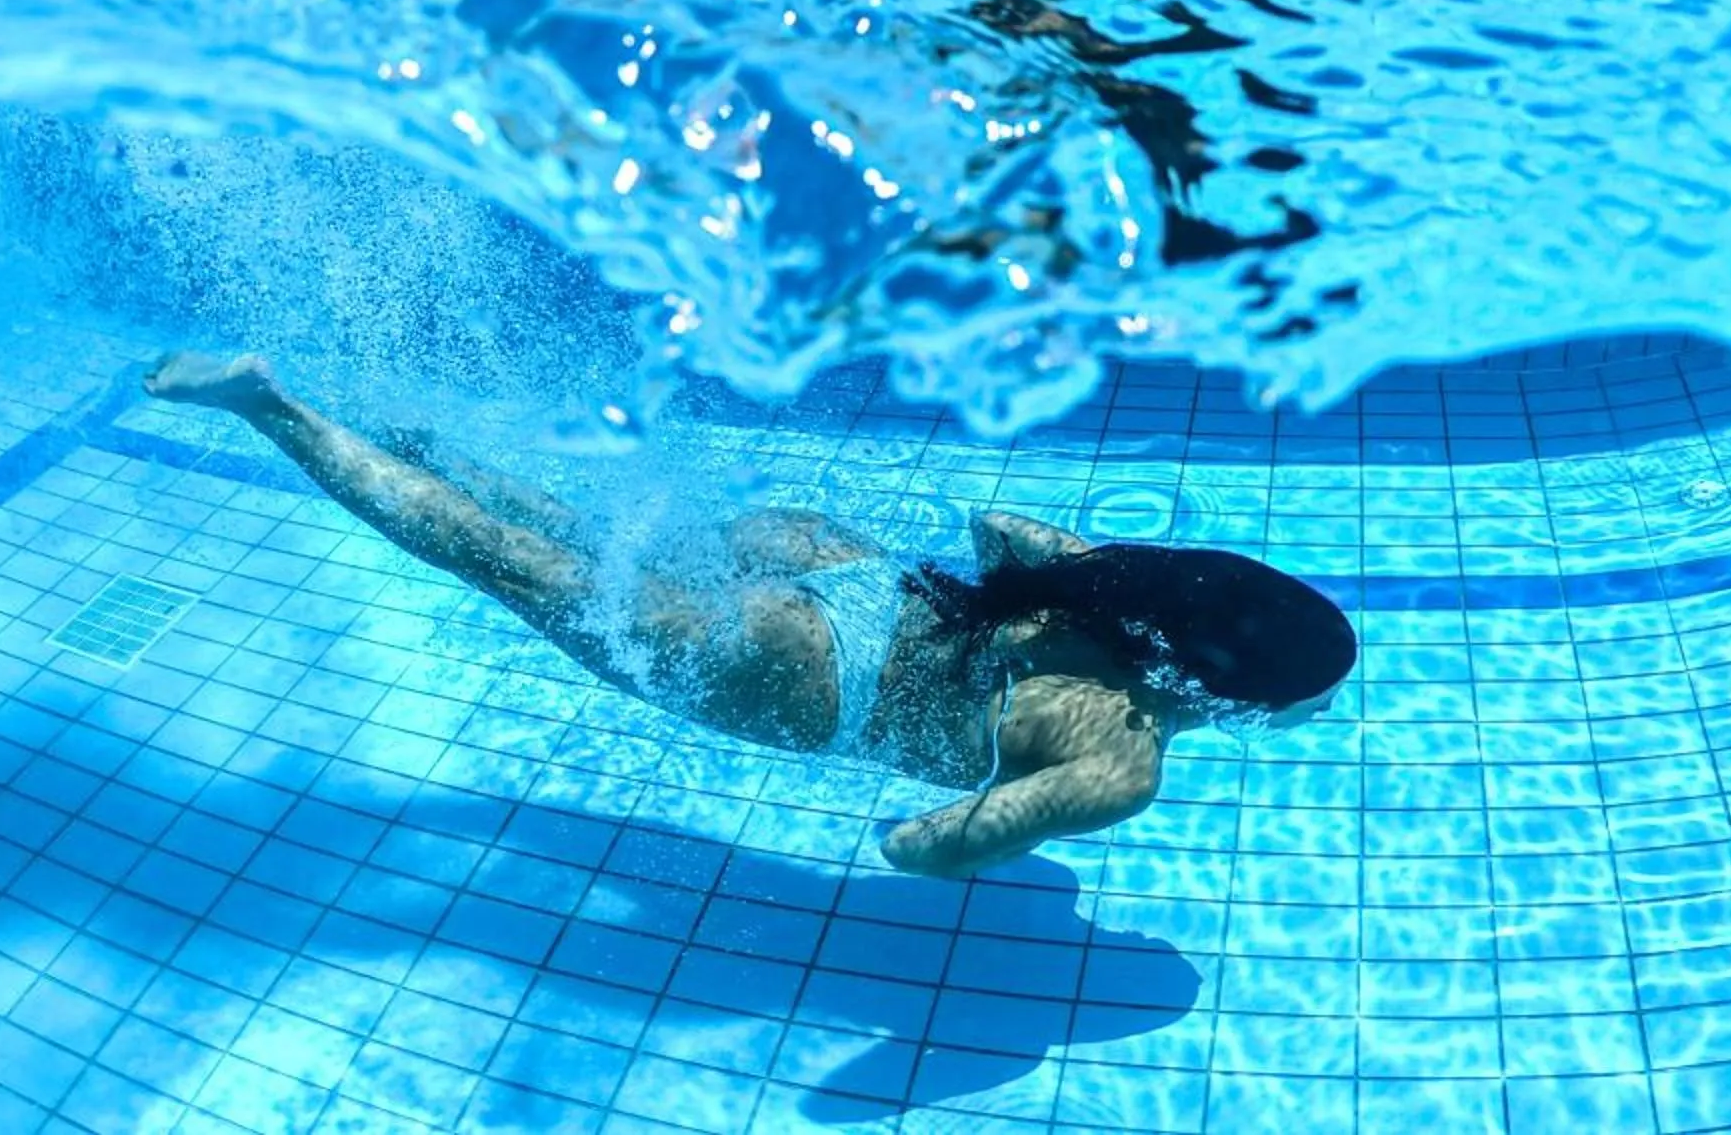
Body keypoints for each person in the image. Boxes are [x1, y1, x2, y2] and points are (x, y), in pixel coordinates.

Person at [143, 353, 1357, 875]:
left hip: (833, 561)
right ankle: (275, 411)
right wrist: (1008, 807)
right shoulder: (1122, 753)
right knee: (506, 565)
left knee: (559, 524)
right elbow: (922, 848)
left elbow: (998, 530)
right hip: (812, 669)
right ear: (1229, 694)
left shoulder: (1115, 579)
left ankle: (412, 428)